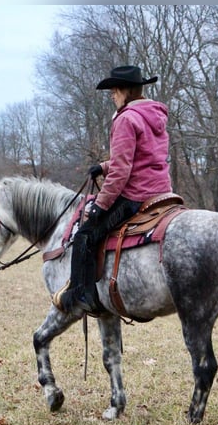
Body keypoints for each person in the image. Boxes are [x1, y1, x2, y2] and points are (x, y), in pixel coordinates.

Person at [53, 65, 172, 315]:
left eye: (113, 91)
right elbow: (143, 156)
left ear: (124, 90)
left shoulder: (126, 118)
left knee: (84, 234)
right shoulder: (155, 115)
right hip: (162, 192)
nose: (112, 96)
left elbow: (122, 171)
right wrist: (103, 167)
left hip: (136, 195)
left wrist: (100, 205)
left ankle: (82, 295)